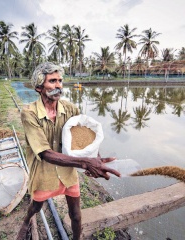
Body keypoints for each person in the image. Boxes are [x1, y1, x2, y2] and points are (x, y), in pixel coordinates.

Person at [17, 62, 120, 240]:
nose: (58, 86)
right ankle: (27, 221)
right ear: (39, 87)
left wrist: (95, 159)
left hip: (67, 170)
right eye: (52, 81)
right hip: (43, 170)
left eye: (60, 81)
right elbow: (44, 153)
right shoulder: (29, 113)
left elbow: (84, 137)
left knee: (76, 214)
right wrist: (85, 162)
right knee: (37, 205)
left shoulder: (70, 109)